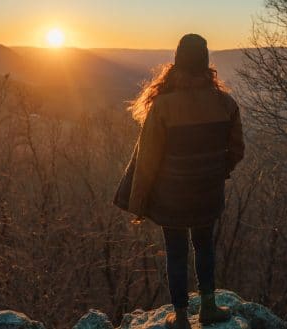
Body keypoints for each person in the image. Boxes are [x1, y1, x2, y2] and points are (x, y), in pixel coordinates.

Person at [113, 33, 245, 329]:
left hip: (171, 195)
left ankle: (182, 318)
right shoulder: (225, 103)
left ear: (177, 61)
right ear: (206, 61)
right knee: (205, 246)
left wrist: (138, 203)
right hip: (208, 193)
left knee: (176, 251)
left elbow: (147, 161)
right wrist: (215, 172)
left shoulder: (163, 106)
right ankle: (209, 308)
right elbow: (237, 150)